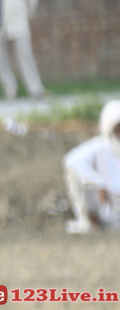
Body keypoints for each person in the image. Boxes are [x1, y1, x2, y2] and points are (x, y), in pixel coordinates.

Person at [63, 100, 120, 234]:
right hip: (107, 208)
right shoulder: (99, 147)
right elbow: (71, 161)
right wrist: (98, 183)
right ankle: (91, 221)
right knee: (74, 173)